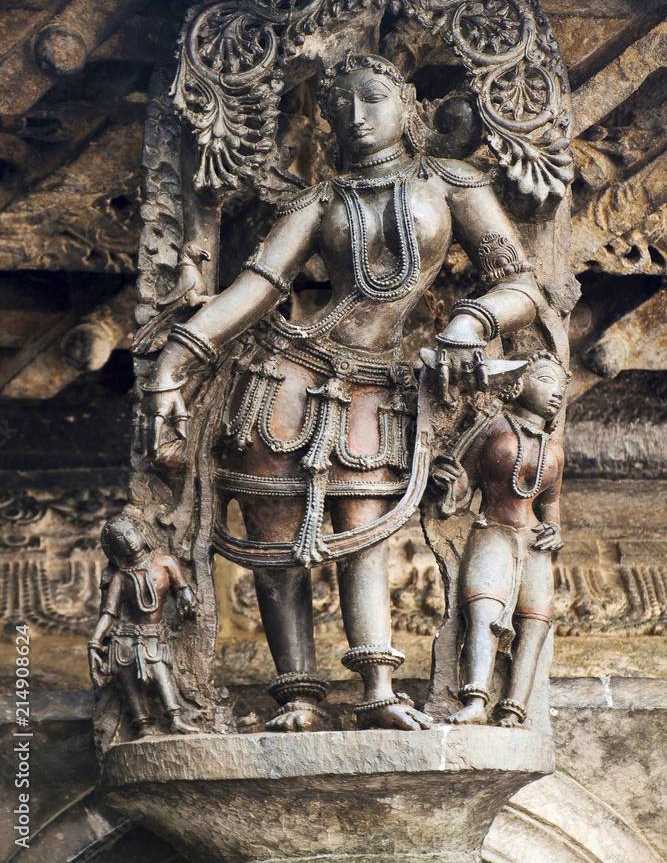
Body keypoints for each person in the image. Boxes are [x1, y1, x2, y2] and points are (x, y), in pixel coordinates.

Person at [138, 52, 542, 732]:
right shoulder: (322, 199)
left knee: (364, 529)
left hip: (381, 378)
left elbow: (521, 285)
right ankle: (295, 692)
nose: (355, 118)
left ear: (408, 108)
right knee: (271, 531)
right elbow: (257, 290)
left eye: (372, 99)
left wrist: (470, 322)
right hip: (284, 373)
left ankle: (377, 688)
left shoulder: (450, 182)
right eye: (341, 106)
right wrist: (170, 364)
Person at [445, 351, 568, 727]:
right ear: (518, 379)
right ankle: (476, 700)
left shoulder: (555, 451)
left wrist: (554, 531)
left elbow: (551, 504)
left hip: (533, 541)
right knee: (482, 607)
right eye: (546, 379)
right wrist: (450, 482)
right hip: (493, 529)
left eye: (562, 386)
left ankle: (514, 707)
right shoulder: (491, 427)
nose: (557, 393)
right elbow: (463, 486)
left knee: (535, 621)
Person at [88, 514, 199, 738]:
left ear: (142, 533)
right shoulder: (120, 576)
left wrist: (186, 595)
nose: (128, 541)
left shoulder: (166, 562)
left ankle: (175, 719)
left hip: (154, 635)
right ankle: (142, 725)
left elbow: (183, 587)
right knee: (126, 678)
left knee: (160, 671)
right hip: (125, 637)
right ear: (115, 548)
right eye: (120, 539)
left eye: (130, 533)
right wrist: (94, 643)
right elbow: (109, 613)